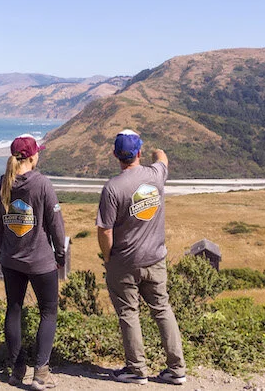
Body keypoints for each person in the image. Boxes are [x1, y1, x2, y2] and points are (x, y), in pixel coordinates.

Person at [96, 129, 186, 386]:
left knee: (128, 313)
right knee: (162, 309)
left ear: (115, 155)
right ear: (139, 153)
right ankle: (176, 368)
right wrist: (155, 151)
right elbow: (163, 157)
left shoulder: (113, 187)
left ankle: (137, 370)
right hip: (155, 258)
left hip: (124, 261)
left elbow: (105, 229)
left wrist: (108, 258)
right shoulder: (156, 174)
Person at [0, 134, 66, 390]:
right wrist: (60, 254)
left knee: (13, 310)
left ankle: (16, 370)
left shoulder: (1, 185)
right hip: (41, 261)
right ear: (33, 156)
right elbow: (56, 225)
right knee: (48, 312)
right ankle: (41, 373)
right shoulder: (42, 184)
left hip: (12, 260)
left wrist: (0, 255)